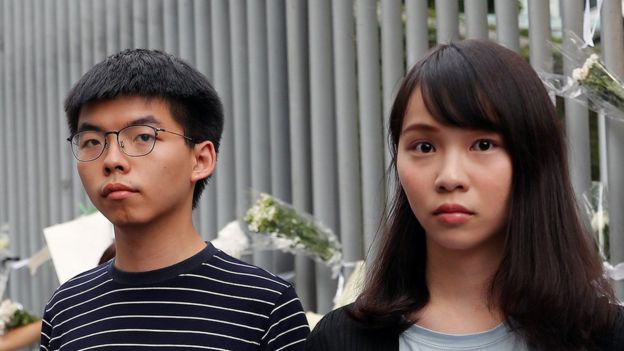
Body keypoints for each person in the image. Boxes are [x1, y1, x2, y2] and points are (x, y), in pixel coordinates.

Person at [306, 39, 624, 350]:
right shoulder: (339, 340)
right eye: (424, 147)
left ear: (533, 158)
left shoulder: (605, 336)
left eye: (483, 145)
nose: (450, 177)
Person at [40, 49, 309, 350]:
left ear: (201, 159)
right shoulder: (66, 310)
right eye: (92, 142)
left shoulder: (265, 306)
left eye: (143, 136)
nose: (112, 159)